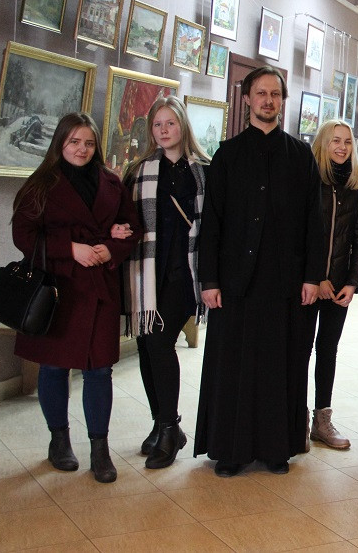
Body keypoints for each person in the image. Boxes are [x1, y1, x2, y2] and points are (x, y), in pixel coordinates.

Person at [195, 67, 326, 477]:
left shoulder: (301, 156)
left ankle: (276, 448)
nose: (268, 100)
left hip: (286, 283)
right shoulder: (227, 156)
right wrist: (209, 280)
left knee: (279, 367)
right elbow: (211, 223)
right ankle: (230, 450)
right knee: (232, 366)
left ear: (282, 100)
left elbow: (315, 222)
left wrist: (312, 277)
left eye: (275, 94)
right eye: (261, 93)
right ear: (247, 99)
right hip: (235, 281)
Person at [11, 113, 140, 483]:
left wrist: (111, 248)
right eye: (74, 142)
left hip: (100, 289)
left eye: (89, 143)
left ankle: (100, 449)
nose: (82, 149)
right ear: (60, 144)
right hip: (59, 289)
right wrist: (71, 249)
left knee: (100, 370)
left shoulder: (111, 182)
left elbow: (132, 228)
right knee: (54, 367)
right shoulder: (41, 184)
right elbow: (23, 235)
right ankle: (59, 440)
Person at [122, 97, 208, 470]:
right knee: (146, 345)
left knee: (159, 342)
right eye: (157, 124)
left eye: (170, 123)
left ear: (183, 125)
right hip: (146, 271)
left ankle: (170, 427)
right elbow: (126, 215)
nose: (164, 130)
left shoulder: (204, 171)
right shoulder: (139, 171)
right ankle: (160, 423)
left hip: (184, 273)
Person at [306, 120, 358, 450]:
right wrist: (316, 277)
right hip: (308, 284)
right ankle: (295, 418)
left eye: (347, 141)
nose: (342, 147)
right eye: (335, 140)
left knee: (328, 349)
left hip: (339, 287)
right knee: (300, 350)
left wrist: (353, 283)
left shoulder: (356, 188)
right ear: (323, 143)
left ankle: (322, 420)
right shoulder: (309, 181)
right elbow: (300, 236)